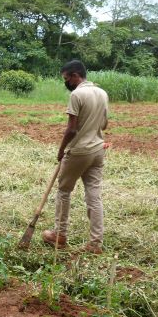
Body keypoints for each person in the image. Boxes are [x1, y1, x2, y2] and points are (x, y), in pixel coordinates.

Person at [42, 60, 109, 254]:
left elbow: (71, 130)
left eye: (66, 78)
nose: (66, 82)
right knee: (94, 197)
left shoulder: (77, 94)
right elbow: (104, 125)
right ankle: (96, 243)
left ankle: (59, 235)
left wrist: (61, 150)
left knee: (64, 191)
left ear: (74, 76)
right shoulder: (102, 93)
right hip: (97, 150)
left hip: (78, 151)